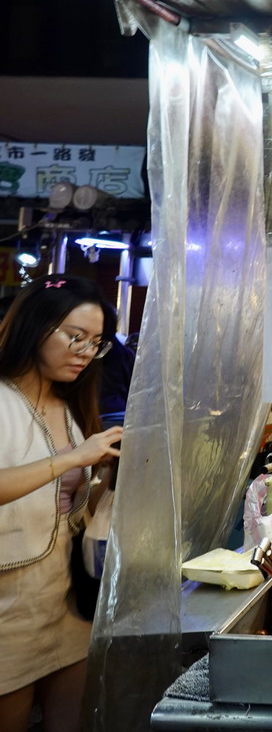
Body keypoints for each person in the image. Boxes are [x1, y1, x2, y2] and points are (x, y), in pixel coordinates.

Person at [0, 275, 124, 732]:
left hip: (66, 595)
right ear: (35, 327)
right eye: (75, 337)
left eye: (96, 342)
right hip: (9, 601)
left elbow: (66, 505)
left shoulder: (68, 404)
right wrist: (72, 458)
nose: (86, 352)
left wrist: (105, 476)